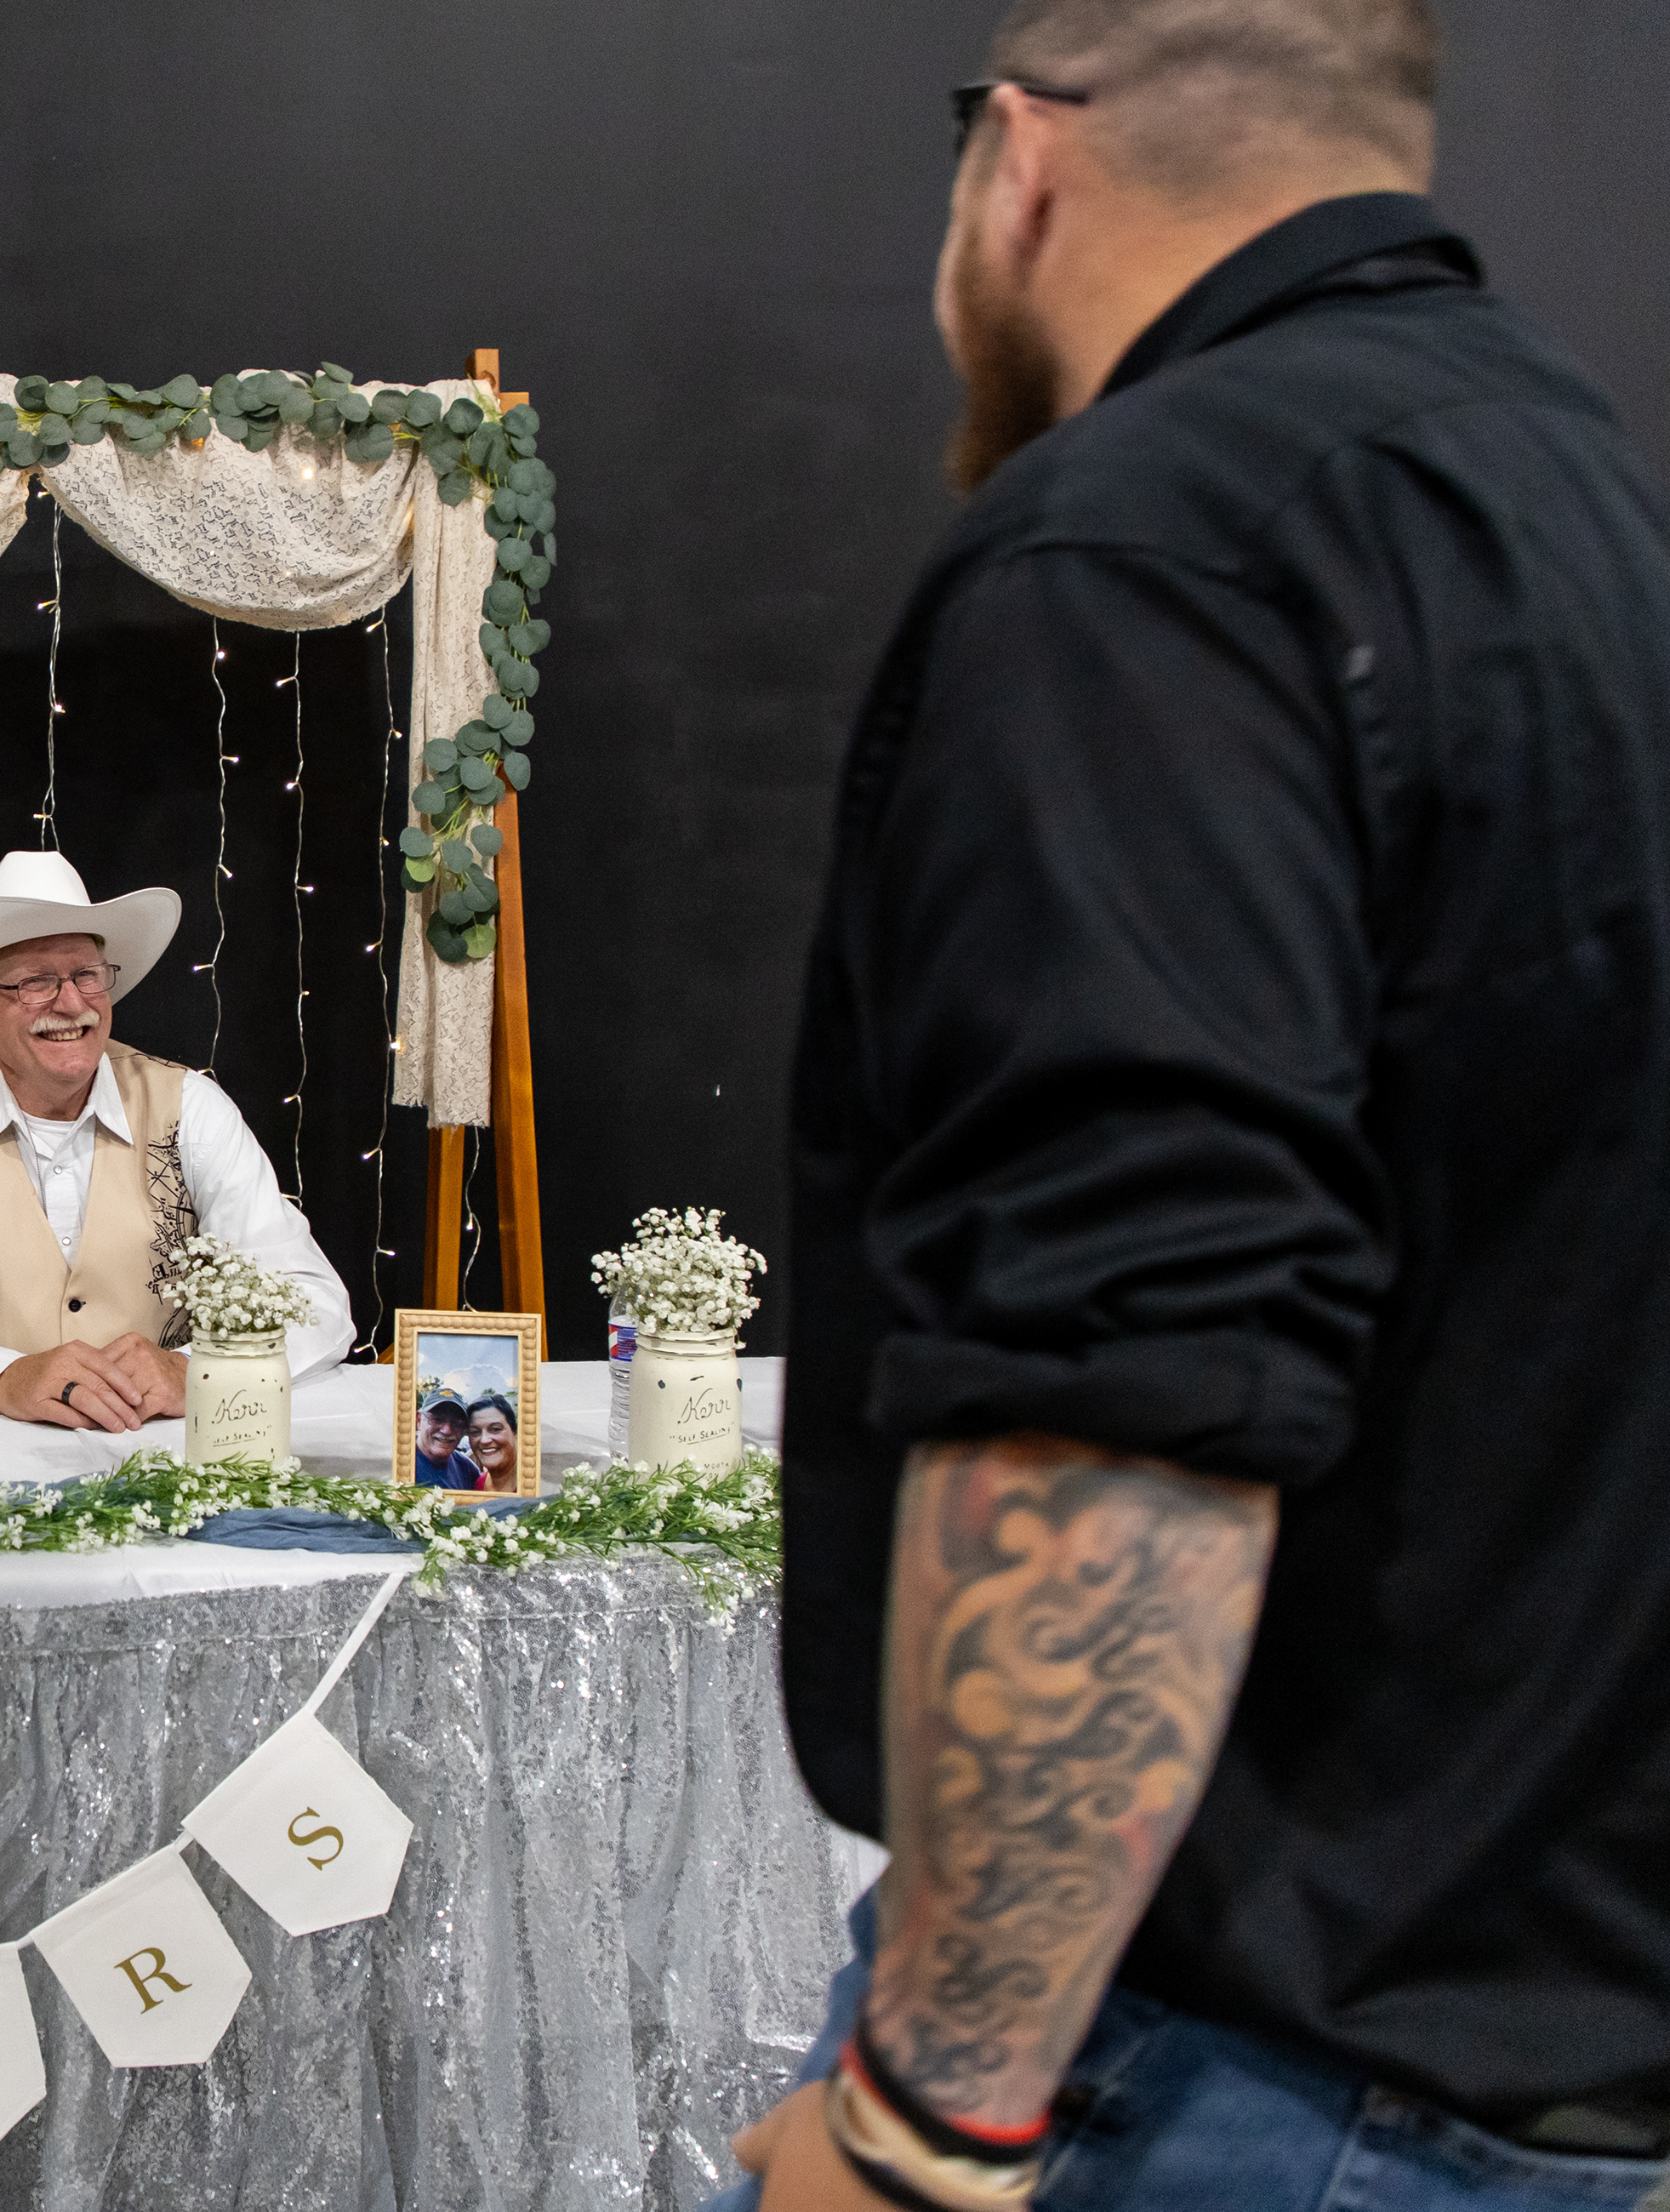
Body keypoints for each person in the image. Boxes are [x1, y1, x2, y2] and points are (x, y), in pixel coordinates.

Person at [738, 3, 1670, 2208]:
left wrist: (927, 2125)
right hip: (1540, 2049)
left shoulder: (1141, 554)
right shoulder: (1588, 510)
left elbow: (1126, 1387)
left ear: (1022, 164)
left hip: (1241, 2075)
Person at [0, 848, 352, 1429]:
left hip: (164, 1448)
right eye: (35, 982)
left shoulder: (191, 1107)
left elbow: (313, 1299)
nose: (71, 1004)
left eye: (87, 975)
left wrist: (200, 1371)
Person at [410, 1392, 481, 1490]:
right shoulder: (400, 1463)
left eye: (457, 1423)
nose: (447, 1431)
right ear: (419, 1420)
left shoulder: (468, 1471)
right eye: (437, 1420)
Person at [462, 1392, 521, 1493]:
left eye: (495, 1429)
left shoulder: (533, 1484)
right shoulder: (478, 1484)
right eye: (475, 1432)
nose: (484, 1440)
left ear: (515, 1432)